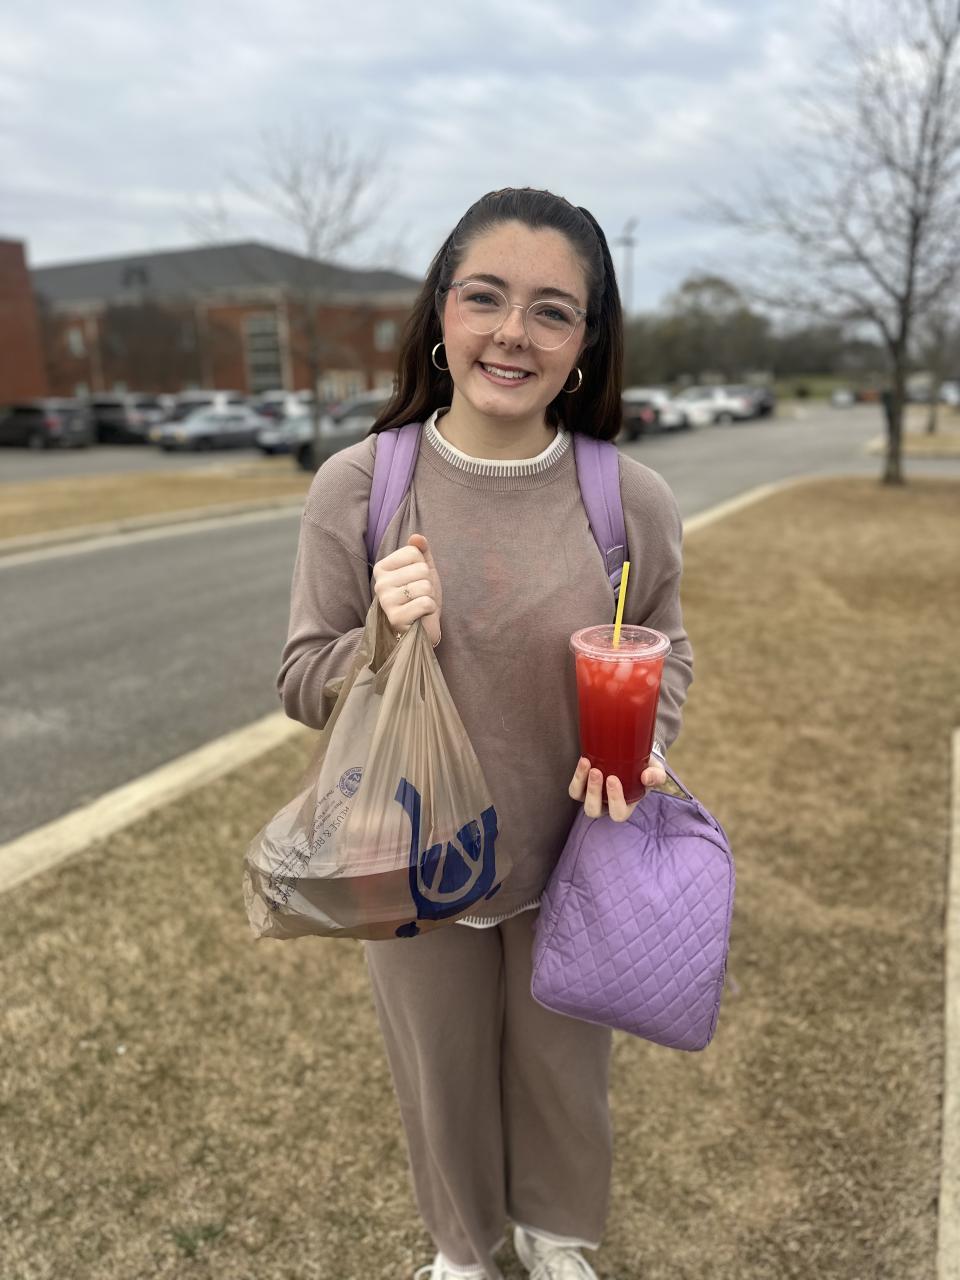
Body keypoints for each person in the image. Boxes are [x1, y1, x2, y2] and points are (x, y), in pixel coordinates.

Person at [277, 187, 693, 1280]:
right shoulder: (360, 487)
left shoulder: (629, 498)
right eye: (486, 298)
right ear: (440, 312)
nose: (514, 333)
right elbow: (302, 679)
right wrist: (379, 636)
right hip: (410, 850)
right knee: (441, 1069)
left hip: (576, 850)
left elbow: (664, 643)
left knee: (564, 1071)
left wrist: (646, 742)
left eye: (553, 311)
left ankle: (557, 1237)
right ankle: (464, 1251)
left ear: (586, 342)